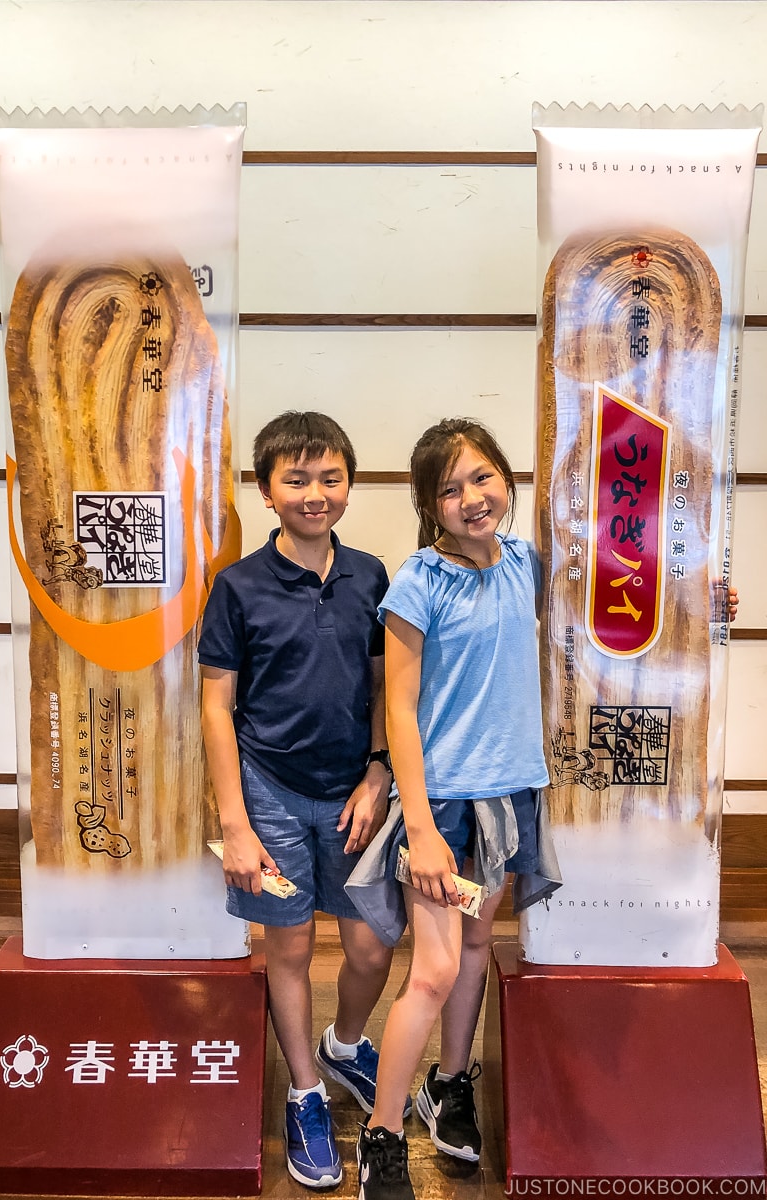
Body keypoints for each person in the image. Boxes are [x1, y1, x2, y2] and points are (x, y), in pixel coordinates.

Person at [354, 417, 563, 1200]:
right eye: (450, 489)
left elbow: (611, 595)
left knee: (478, 949)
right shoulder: (417, 582)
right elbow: (398, 709)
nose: (472, 498)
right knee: (435, 969)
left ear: (504, 479)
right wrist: (417, 827)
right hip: (440, 808)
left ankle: (449, 1085)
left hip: (509, 795)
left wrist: (708, 595)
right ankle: (380, 1136)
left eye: (482, 478)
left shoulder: (524, 562)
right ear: (428, 504)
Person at [199, 410, 400, 1190]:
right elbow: (218, 705)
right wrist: (235, 824)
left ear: (348, 484)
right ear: (265, 490)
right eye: (296, 479)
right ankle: (305, 1093)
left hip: (356, 793)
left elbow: (390, 687)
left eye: (330, 477)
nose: (315, 493)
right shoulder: (238, 586)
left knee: (371, 948)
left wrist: (379, 770)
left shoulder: (374, 576)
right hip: (270, 795)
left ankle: (346, 1045)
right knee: (286, 951)